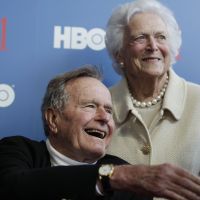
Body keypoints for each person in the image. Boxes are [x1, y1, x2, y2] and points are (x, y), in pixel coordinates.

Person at [1, 65, 200, 200]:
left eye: (109, 110)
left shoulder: (127, 179)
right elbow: (11, 188)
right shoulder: (17, 151)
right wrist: (110, 177)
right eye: (90, 106)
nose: (104, 118)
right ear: (53, 119)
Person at [105, 0, 200, 177]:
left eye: (161, 37)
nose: (153, 46)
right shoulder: (101, 105)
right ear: (119, 53)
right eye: (140, 37)